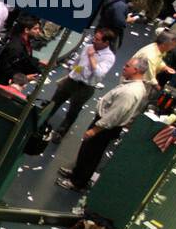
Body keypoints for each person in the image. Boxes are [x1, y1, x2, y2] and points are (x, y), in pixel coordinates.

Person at [56, 57, 149, 192]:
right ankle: (77, 173)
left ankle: (77, 182)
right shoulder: (133, 85)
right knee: (87, 151)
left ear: (136, 70)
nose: (123, 66)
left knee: (90, 153)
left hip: (105, 127)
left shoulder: (130, 92)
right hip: (106, 125)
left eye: (127, 66)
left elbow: (114, 114)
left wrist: (95, 129)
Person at [42, 28, 116, 141]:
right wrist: (74, 70)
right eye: (94, 37)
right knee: (54, 102)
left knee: (73, 111)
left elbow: (99, 73)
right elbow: (78, 62)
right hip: (71, 80)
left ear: (106, 43)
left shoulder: (109, 57)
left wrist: (91, 57)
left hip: (85, 87)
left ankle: (61, 132)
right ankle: (42, 122)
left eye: (97, 39)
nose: (93, 40)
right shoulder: (88, 47)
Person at [0, 16, 45, 85]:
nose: (38, 31)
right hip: (1, 83)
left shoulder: (26, 42)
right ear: (26, 30)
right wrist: (24, 78)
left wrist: (39, 62)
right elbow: (6, 68)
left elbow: (24, 57)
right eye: (35, 29)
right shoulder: (15, 47)